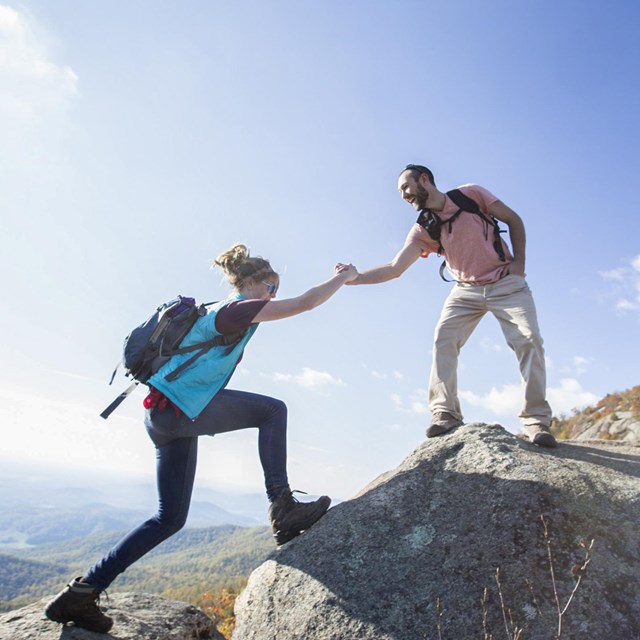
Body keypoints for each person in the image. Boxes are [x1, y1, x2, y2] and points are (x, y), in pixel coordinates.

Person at [45, 244, 358, 634]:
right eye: (269, 286)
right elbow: (307, 303)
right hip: (177, 409)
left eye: (276, 288)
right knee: (273, 410)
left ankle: (81, 592)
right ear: (247, 283)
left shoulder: (218, 311)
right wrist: (343, 277)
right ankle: (283, 506)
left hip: (163, 413)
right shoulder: (234, 310)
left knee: (169, 518)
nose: (272, 295)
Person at [344, 163, 555, 448]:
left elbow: (514, 219)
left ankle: (536, 421)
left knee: (529, 339)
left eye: (406, 187)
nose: (404, 194)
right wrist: (355, 278)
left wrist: (519, 265)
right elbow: (395, 268)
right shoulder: (424, 228)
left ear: (425, 179)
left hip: (506, 283)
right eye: (400, 191)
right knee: (443, 339)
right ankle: (445, 412)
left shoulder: (471, 195)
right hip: (465, 290)